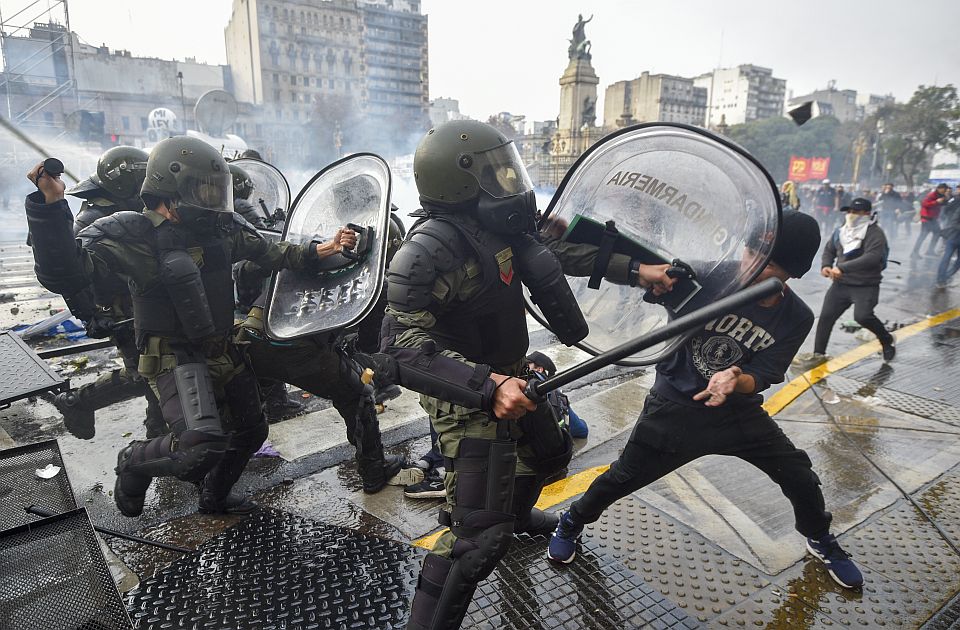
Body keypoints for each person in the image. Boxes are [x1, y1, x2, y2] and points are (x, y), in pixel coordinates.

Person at [380, 120, 675, 630]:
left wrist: (639, 270)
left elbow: (562, 253)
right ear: (460, 181)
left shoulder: (500, 226)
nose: (511, 179)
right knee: (477, 541)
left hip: (513, 373)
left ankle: (517, 516)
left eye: (507, 166)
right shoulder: (425, 253)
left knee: (549, 453)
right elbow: (398, 349)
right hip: (466, 391)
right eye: (496, 171)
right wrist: (488, 387)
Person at [24, 136, 357, 517]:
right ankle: (133, 460)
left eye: (218, 190)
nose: (213, 199)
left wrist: (325, 249)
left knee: (251, 431)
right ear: (169, 190)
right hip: (172, 354)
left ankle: (214, 497)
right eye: (204, 189)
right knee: (199, 446)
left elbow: (272, 252)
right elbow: (67, 272)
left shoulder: (223, 228)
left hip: (219, 345)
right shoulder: (132, 234)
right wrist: (51, 207)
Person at [547, 210, 865, 590]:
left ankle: (819, 537)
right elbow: (641, 267)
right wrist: (588, 238)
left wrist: (737, 379)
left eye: (770, 264)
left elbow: (767, 372)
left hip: (738, 416)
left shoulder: (796, 316)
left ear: (793, 273)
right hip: (672, 408)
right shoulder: (708, 276)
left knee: (799, 474)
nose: (753, 265)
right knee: (621, 478)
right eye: (751, 252)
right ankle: (573, 520)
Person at [48, 146, 166, 440]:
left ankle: (160, 432)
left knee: (160, 365)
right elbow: (72, 272)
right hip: (117, 306)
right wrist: (89, 314)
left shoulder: (131, 205)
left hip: (145, 295)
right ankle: (78, 401)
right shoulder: (90, 219)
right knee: (144, 373)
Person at [814, 197, 894, 361]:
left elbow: (872, 257)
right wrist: (826, 265)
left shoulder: (874, 233)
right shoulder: (841, 231)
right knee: (826, 318)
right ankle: (818, 355)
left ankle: (886, 340)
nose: (851, 215)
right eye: (850, 211)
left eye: (856, 212)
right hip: (841, 285)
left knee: (863, 317)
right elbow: (829, 250)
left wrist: (842, 267)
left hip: (865, 285)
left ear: (867, 214)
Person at [526, 350, 588, 439]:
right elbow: (581, 430)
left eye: (528, 364)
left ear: (539, 369)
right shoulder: (556, 394)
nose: (524, 367)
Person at [913, 184, 949, 257]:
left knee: (937, 233)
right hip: (927, 218)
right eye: (944, 189)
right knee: (923, 235)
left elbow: (944, 204)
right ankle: (914, 252)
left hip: (933, 218)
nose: (945, 191)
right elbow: (924, 204)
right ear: (939, 188)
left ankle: (930, 250)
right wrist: (936, 202)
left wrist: (946, 199)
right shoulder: (932, 194)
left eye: (945, 190)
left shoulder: (941, 195)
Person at [935, 187, 960, 288]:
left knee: (958, 262)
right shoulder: (955, 201)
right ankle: (940, 279)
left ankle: (946, 277)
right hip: (954, 237)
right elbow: (954, 221)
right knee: (946, 257)